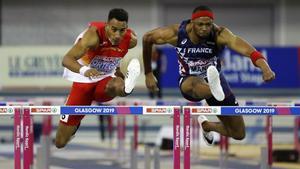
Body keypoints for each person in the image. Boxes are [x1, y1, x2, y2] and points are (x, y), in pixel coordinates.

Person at [143, 5, 275, 144]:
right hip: (190, 79)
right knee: (193, 84)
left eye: (208, 24)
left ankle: (207, 125)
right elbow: (147, 38)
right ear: (192, 23)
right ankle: (213, 88)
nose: (205, 28)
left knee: (238, 133)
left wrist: (265, 67)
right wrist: (148, 73)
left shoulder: (219, 34)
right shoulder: (177, 33)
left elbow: (249, 51)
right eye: (200, 24)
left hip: (215, 79)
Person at [55, 8, 140, 148]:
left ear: (127, 29)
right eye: (114, 29)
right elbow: (66, 59)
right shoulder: (92, 37)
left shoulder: (131, 40)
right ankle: (74, 126)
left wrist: (118, 70)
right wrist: (84, 70)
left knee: (117, 85)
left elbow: (113, 56)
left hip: (104, 80)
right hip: (83, 83)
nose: (118, 35)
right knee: (60, 142)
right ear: (106, 26)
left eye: (122, 30)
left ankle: (127, 87)